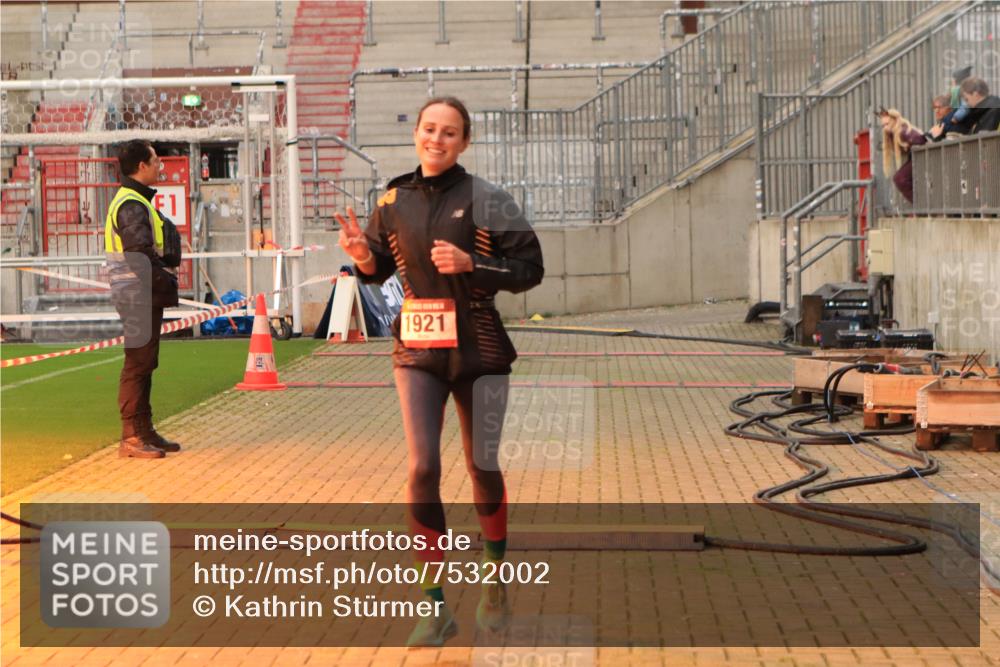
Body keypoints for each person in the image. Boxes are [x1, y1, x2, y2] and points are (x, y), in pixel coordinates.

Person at [337, 97, 544, 646]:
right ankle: (434, 607)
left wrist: (476, 264)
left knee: (482, 465)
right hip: (418, 351)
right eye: (429, 129)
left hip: (480, 349)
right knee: (422, 467)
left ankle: (494, 581)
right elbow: (378, 267)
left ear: (464, 142)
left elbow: (530, 269)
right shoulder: (393, 200)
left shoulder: (488, 198)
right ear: (417, 134)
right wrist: (361, 256)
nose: (437, 139)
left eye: (449, 132)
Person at [105, 140, 183, 459]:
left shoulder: (135, 200)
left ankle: (144, 430)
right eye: (155, 161)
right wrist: (166, 281)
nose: (159, 165)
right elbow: (139, 255)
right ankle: (132, 436)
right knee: (138, 364)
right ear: (141, 166)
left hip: (139, 292)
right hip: (137, 294)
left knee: (145, 362)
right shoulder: (131, 204)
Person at [879, 108, 926, 203]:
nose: (885, 128)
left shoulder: (902, 131)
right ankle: (920, 203)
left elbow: (921, 140)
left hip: (922, 157)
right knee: (900, 178)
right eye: (883, 126)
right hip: (917, 157)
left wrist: (910, 145)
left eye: (887, 124)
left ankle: (920, 203)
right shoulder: (896, 132)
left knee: (900, 178)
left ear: (894, 120)